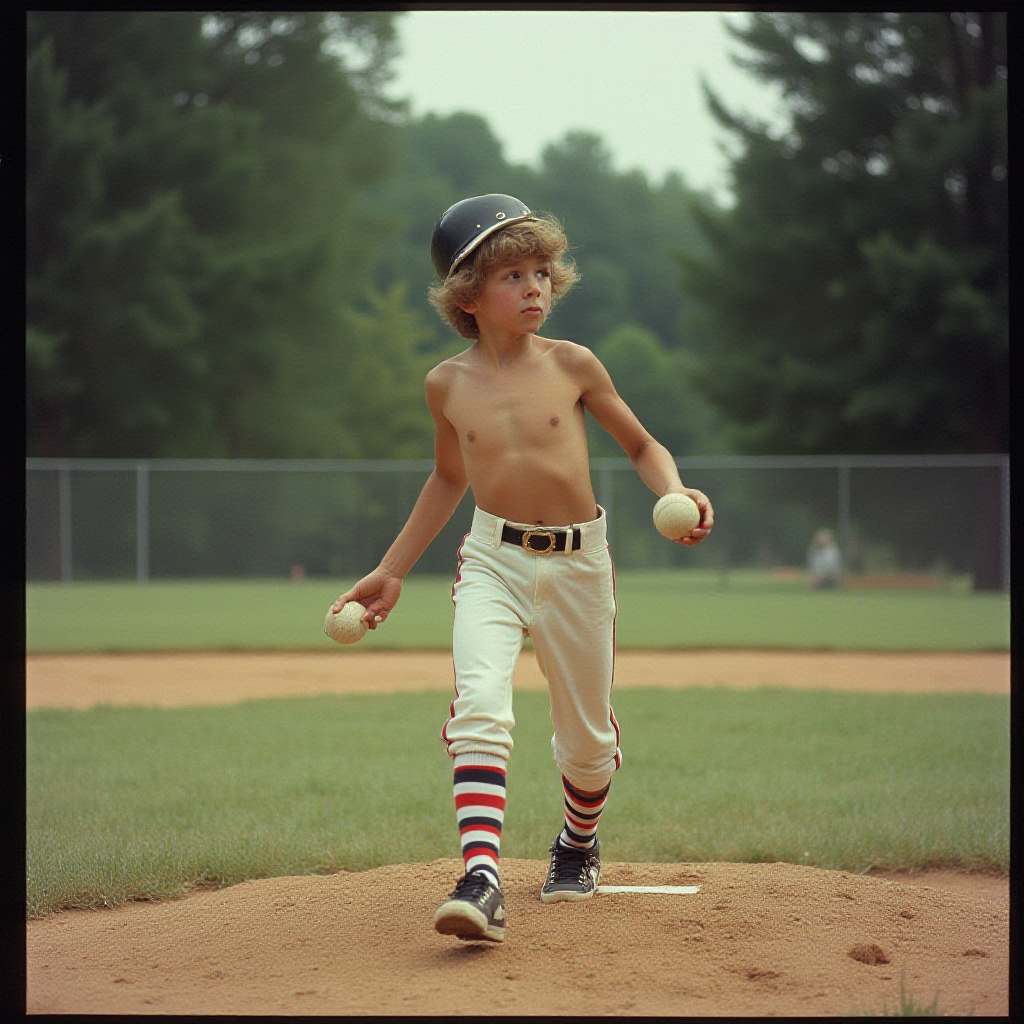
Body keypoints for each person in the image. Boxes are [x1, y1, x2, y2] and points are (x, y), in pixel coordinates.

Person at [330, 194, 714, 943]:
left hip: (579, 565)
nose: (535, 286)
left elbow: (641, 445)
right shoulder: (446, 384)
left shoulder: (572, 364)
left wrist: (674, 490)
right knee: (479, 702)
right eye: (512, 275)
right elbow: (448, 480)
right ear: (467, 295)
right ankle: (481, 877)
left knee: (588, 746)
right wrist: (392, 569)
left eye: (542, 271)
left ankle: (577, 843)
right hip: (493, 560)